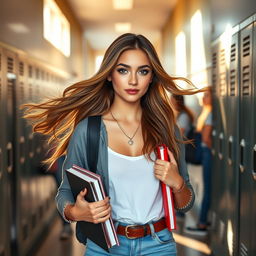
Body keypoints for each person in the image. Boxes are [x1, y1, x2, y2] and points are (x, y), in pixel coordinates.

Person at [23, 33, 206, 255]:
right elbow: (65, 192)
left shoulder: (167, 130)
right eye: (123, 70)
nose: (133, 81)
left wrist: (177, 183)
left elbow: (185, 204)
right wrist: (76, 212)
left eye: (143, 71)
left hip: (158, 245)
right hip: (105, 247)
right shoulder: (88, 131)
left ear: (151, 77)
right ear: (110, 74)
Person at [185, 88, 213, 235]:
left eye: (206, 95)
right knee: (208, 188)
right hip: (207, 153)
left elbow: (207, 138)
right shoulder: (206, 113)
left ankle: (202, 223)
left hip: (207, 153)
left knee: (208, 188)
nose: (203, 98)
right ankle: (203, 220)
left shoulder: (209, 114)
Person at [170, 94, 195, 219]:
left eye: (172, 99)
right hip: (180, 150)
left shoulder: (184, 116)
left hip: (183, 151)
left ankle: (180, 210)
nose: (170, 101)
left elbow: (180, 133)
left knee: (181, 177)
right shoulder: (180, 115)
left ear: (176, 101)